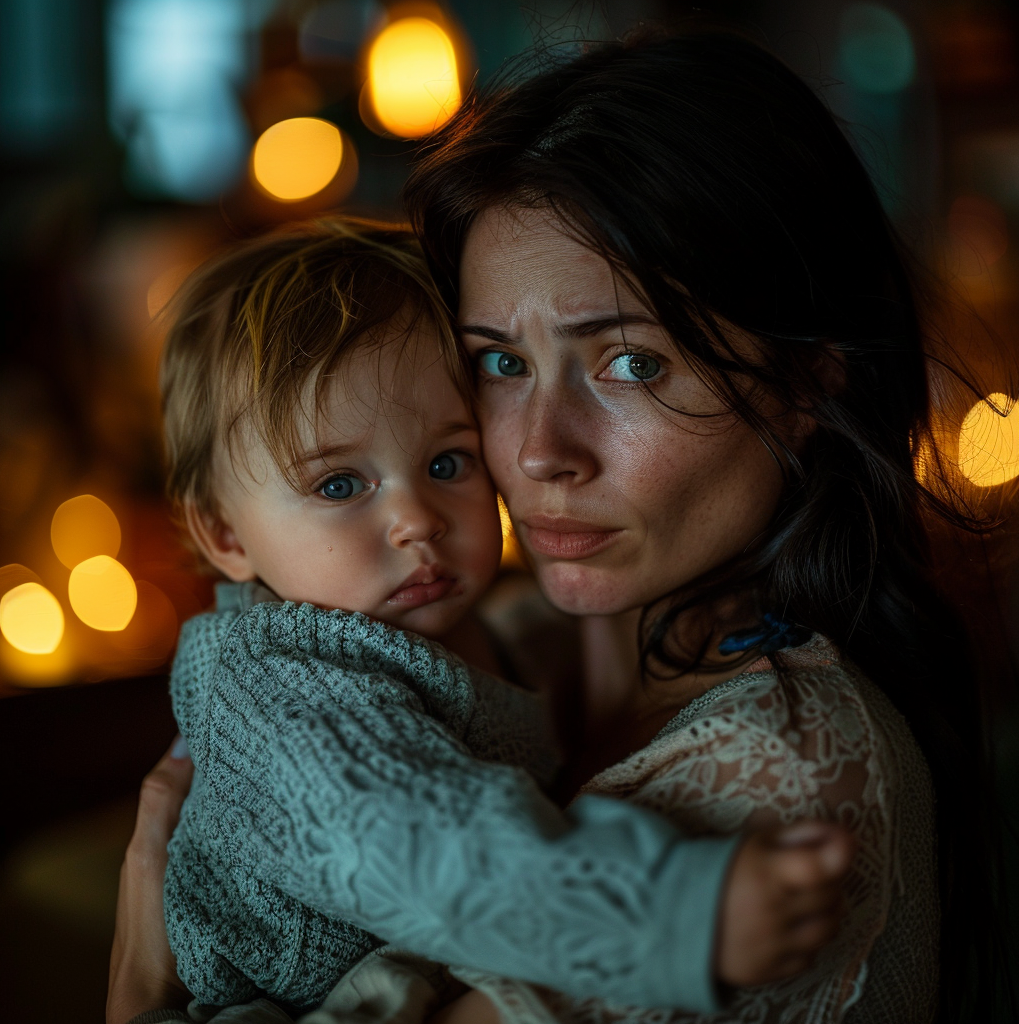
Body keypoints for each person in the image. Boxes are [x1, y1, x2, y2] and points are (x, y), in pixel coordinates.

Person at [110, 25, 990, 1024]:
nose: (536, 453)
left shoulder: (779, 777)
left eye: (631, 363)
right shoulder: (499, 648)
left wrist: (137, 1001)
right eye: (499, 363)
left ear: (805, 386)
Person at [147, 218, 849, 1020]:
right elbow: (427, 843)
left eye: (448, 463)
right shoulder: (276, 682)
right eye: (340, 486)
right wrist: (682, 917)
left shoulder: (453, 627)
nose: (418, 519)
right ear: (226, 535)